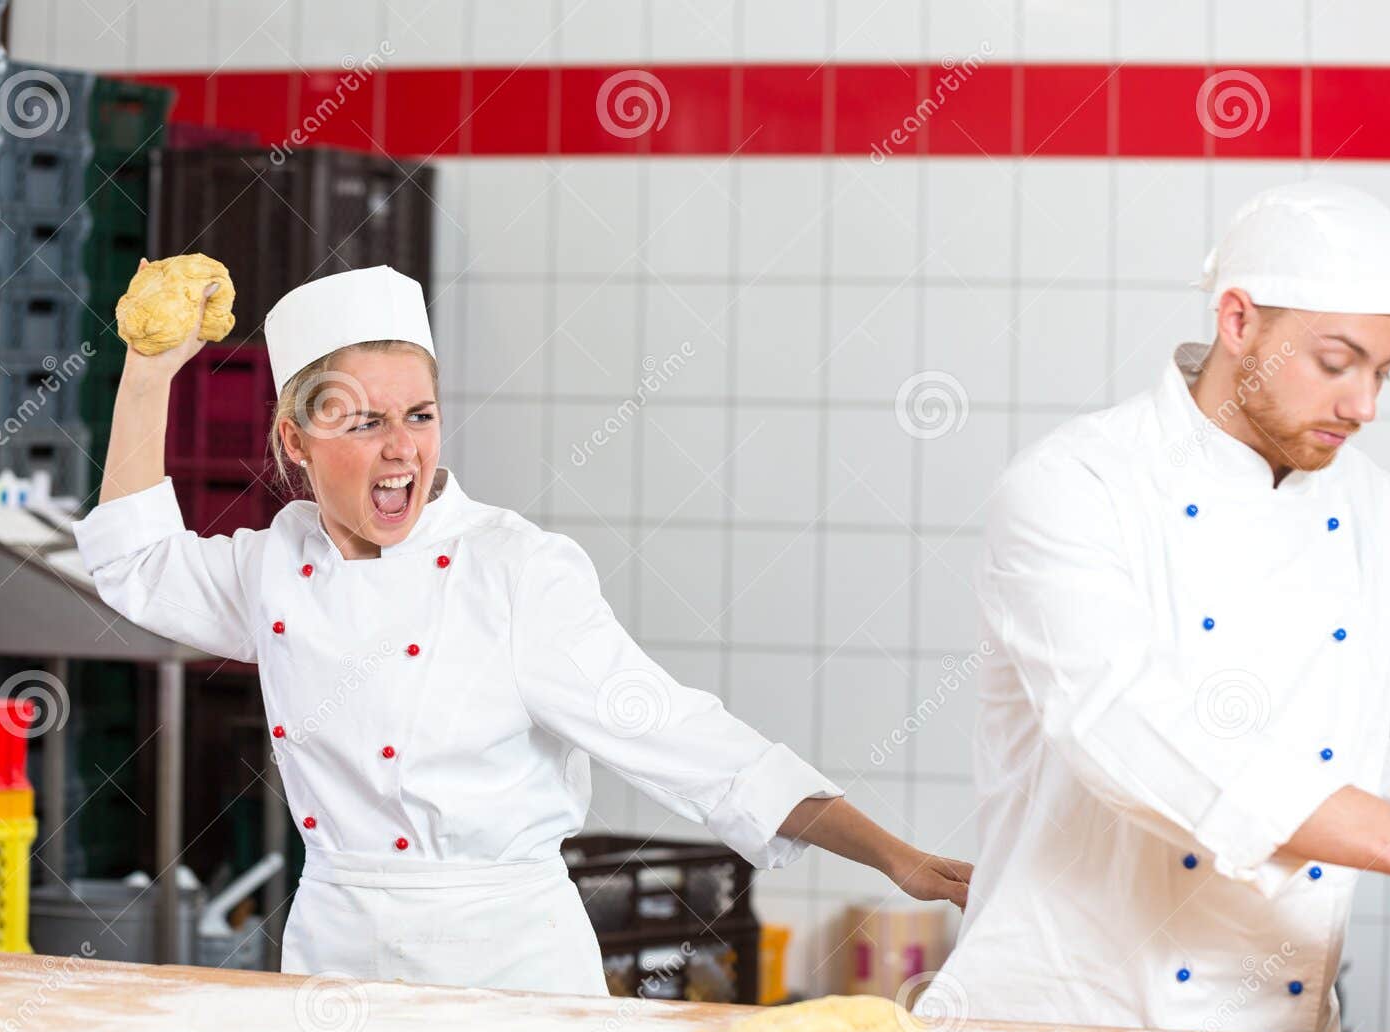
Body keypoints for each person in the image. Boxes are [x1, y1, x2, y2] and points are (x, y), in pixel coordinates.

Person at [74, 262, 970, 994]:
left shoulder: (515, 571)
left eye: (419, 416)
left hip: (506, 966)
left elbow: (691, 741)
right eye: (363, 421)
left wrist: (894, 855)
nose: (402, 450)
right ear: (296, 440)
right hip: (336, 963)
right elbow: (133, 566)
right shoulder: (276, 564)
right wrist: (150, 370)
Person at [923, 182, 1390, 1032]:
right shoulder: (1076, 485)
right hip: (1060, 1030)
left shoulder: (1382, 517)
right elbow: (1133, 731)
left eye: (1384, 371)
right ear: (1238, 322)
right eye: (1337, 362)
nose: (1365, 405)